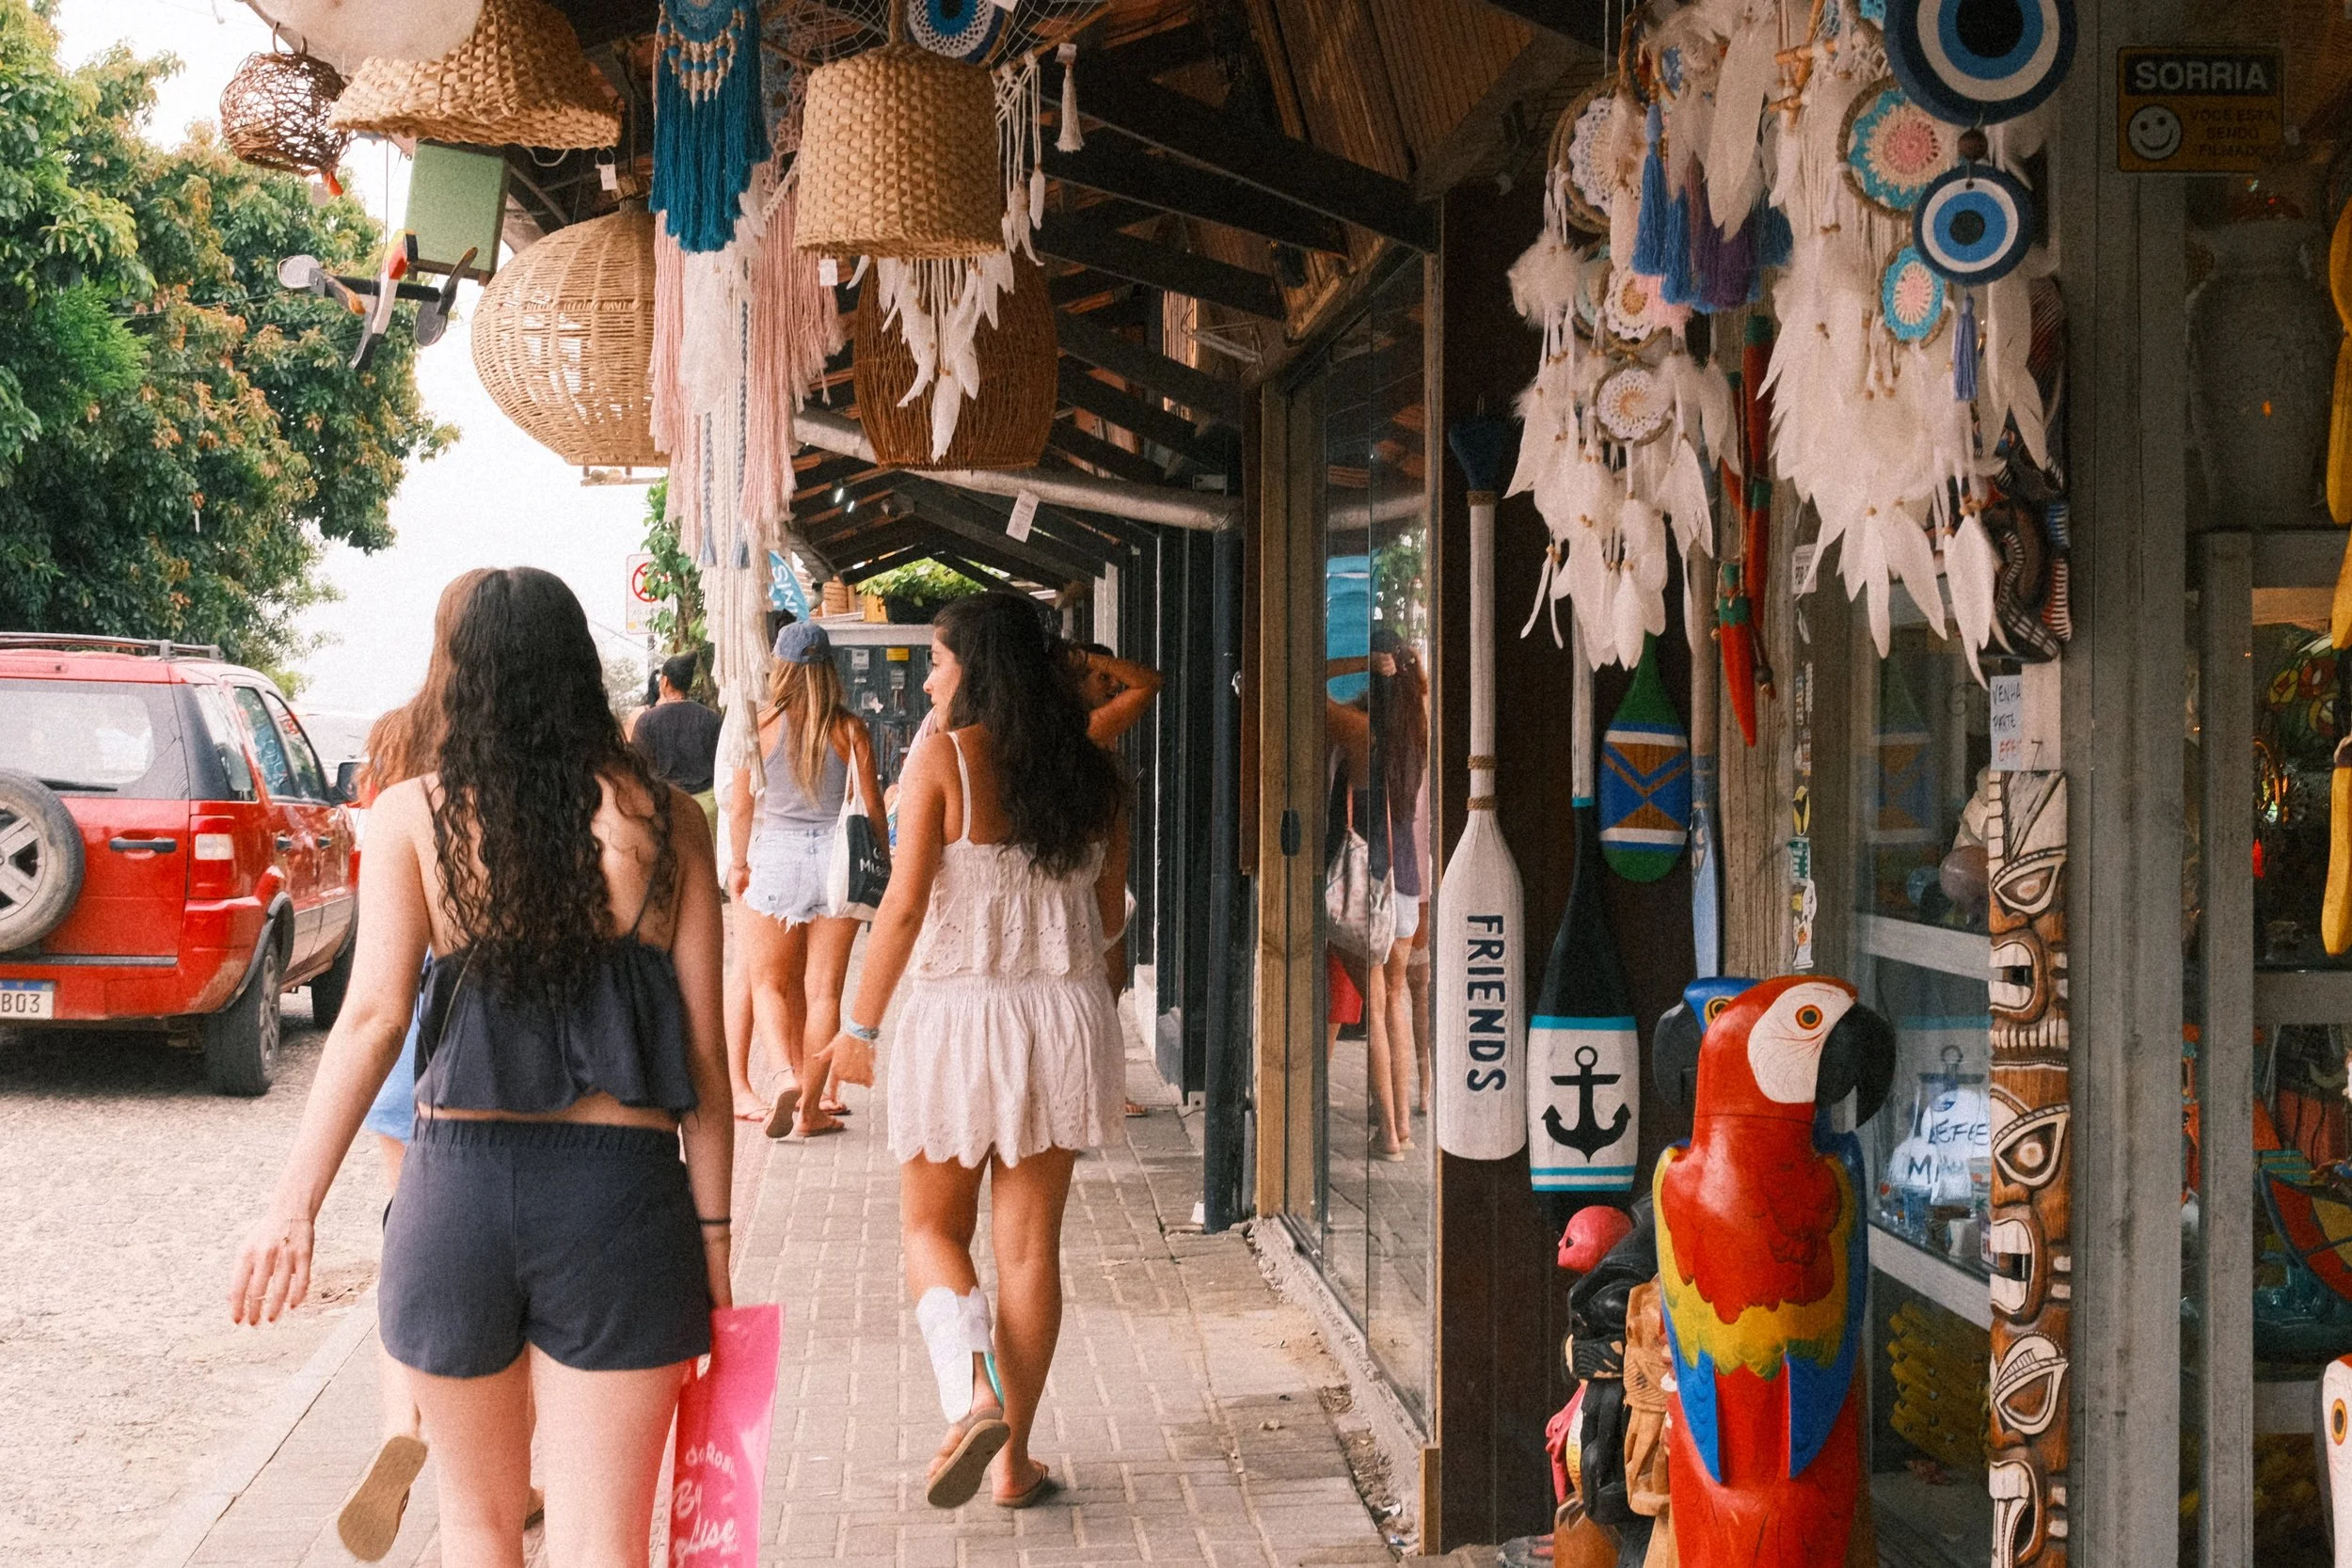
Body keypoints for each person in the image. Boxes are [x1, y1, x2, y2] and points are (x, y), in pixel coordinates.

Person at [229, 567, 733, 1568]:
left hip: (455, 1192)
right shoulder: (672, 822)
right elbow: (708, 1057)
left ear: (458, 674)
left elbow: (371, 1018)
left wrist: (294, 1204)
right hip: (622, 1205)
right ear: (580, 669)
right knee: (605, 1542)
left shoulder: (412, 813)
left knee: (475, 1524)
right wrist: (715, 1243)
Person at [821, 594, 1128, 1511]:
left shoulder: (943, 754)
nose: (930, 678)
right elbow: (1109, 921)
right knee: (1030, 1249)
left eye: (941, 662)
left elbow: (906, 903)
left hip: (961, 1015)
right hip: (1064, 1015)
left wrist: (859, 1025)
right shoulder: (1096, 773)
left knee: (929, 1230)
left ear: (978, 668)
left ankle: (972, 1393)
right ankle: (1013, 1461)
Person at [725, 621, 886, 1137]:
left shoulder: (759, 724)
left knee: (767, 983)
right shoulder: (850, 728)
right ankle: (810, 1112)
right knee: (823, 994)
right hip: (836, 865)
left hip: (774, 859)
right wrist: (882, 860)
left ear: (782, 667)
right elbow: (872, 806)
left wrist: (738, 865)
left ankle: (781, 1076)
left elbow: (741, 807)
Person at [1062, 641, 1160, 1117]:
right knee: (1096, 990)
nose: (1113, 683)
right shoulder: (1085, 728)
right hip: (1090, 875)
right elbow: (1150, 681)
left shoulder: (1088, 727)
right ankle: (1089, 1092)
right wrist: (1084, 657)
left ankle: (1096, 1088)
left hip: (1100, 870)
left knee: (1107, 988)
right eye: (1101, 677)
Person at [632, 653, 723, 837]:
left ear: (665, 681)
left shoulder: (647, 721)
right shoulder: (710, 718)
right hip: (706, 810)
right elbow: (722, 766)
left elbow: (637, 770)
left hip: (665, 808)